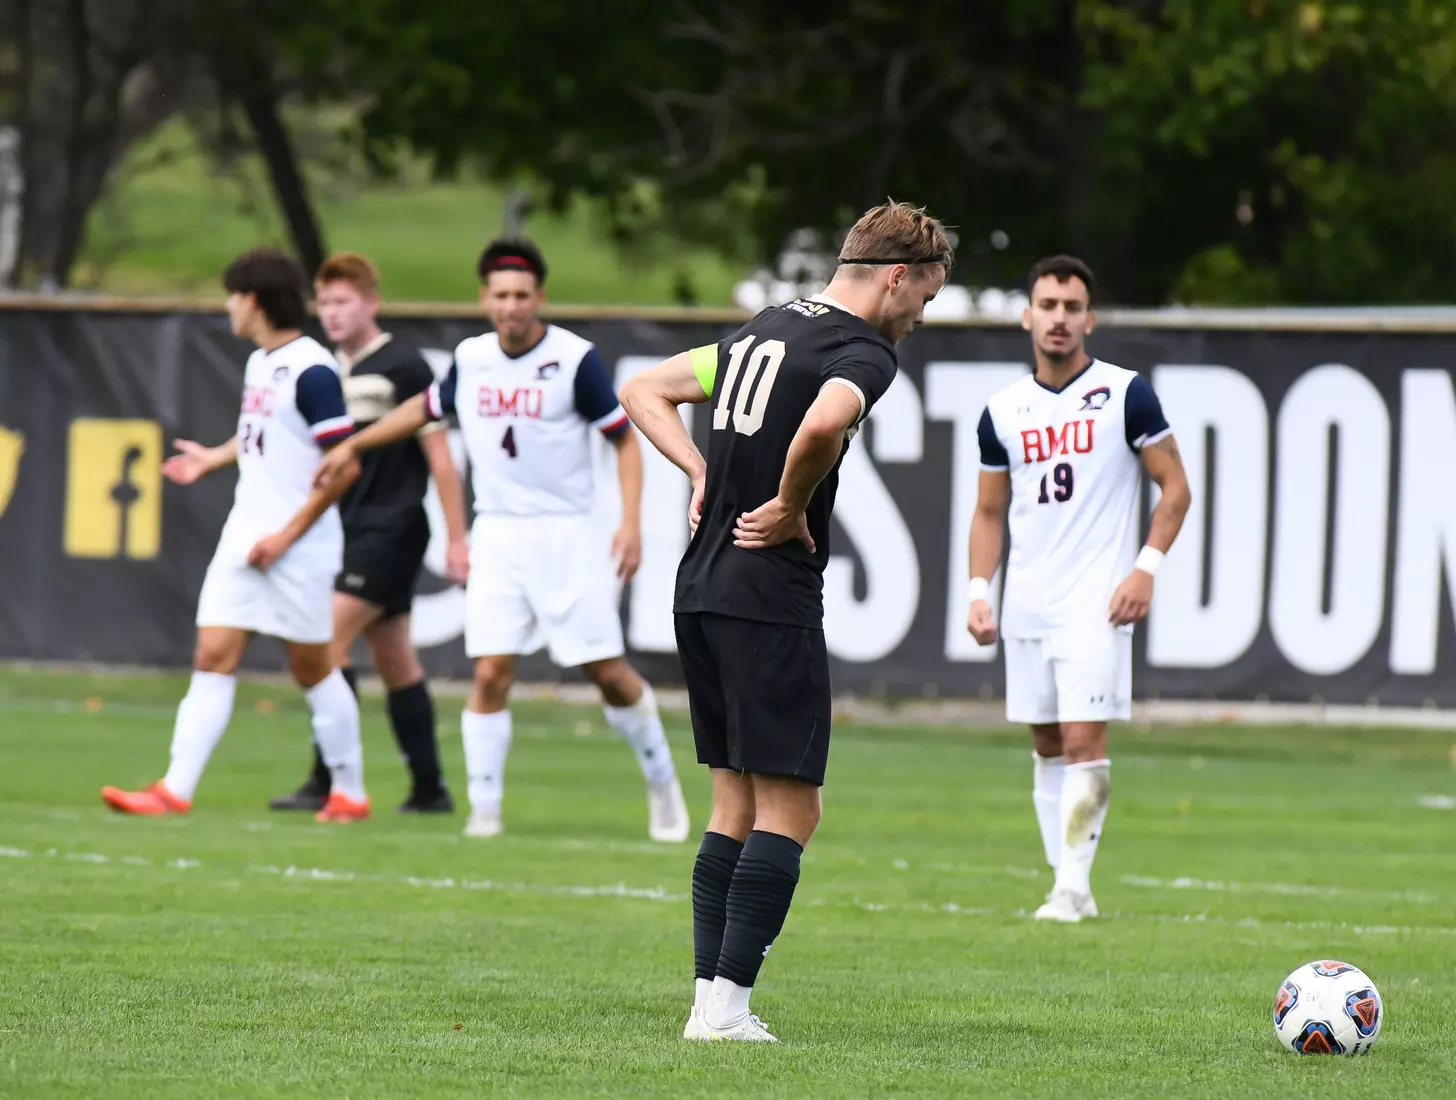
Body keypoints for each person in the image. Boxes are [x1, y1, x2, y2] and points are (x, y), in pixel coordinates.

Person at [618, 200, 953, 1042]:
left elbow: (642, 388)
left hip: (698, 587)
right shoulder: (860, 349)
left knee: (732, 801)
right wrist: (790, 504)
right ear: (896, 277)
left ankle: (708, 1005)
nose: (921, 317)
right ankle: (726, 1009)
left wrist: (698, 470)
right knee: (792, 810)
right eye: (926, 298)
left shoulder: (763, 328)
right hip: (768, 595)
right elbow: (826, 422)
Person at [313, 237, 689, 842]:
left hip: (567, 534)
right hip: (499, 536)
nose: (511, 306)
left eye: (522, 295)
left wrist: (629, 522)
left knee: (607, 673)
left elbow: (623, 437)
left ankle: (661, 781)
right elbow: (424, 409)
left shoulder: (573, 359)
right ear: (485, 299)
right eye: (500, 295)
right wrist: (355, 443)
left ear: (539, 297)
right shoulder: (472, 358)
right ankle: (484, 810)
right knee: (490, 671)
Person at [101, 249, 370, 822]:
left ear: (252, 300)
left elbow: (344, 466)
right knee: (212, 655)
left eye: (231, 295)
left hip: (297, 547)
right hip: (243, 534)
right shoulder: (260, 363)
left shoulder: (313, 370)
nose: (228, 307)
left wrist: (286, 536)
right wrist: (215, 458)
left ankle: (349, 791)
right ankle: (174, 789)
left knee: (312, 667)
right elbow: (268, 439)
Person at [965, 254, 1191, 922]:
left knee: (1085, 742)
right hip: (1028, 599)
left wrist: (1144, 568)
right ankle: (1069, 884)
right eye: (1048, 305)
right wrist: (980, 588)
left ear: (1089, 319)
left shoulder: (1127, 394)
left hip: (1097, 600)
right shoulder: (1002, 411)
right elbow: (987, 511)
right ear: (1027, 316)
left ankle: (1070, 889)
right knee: (1046, 745)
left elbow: (1175, 487)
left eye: (1071, 307)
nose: (1059, 318)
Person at [268, 251, 467, 815]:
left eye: (342, 302)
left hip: (392, 526)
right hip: (344, 527)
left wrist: (457, 538)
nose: (330, 313)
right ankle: (430, 790)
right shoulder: (325, 369)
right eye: (323, 302)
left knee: (323, 643)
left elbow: (440, 458)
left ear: (371, 303)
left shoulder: (403, 366)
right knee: (395, 658)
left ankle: (329, 781)